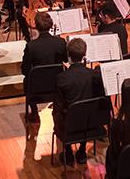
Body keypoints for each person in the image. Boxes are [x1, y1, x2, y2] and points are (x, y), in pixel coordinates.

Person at [53, 38, 101, 166]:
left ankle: (68, 152)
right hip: (91, 124)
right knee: (86, 111)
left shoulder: (62, 78)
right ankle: (81, 151)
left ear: (68, 55)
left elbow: (58, 106)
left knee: (60, 113)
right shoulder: (95, 75)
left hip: (70, 125)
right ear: (84, 55)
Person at [21, 11, 67, 122]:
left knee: (27, 79)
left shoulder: (31, 46)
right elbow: (65, 61)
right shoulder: (60, 42)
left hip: (37, 87)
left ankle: (34, 111)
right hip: (57, 85)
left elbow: (25, 70)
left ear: (36, 26)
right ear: (51, 25)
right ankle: (57, 107)